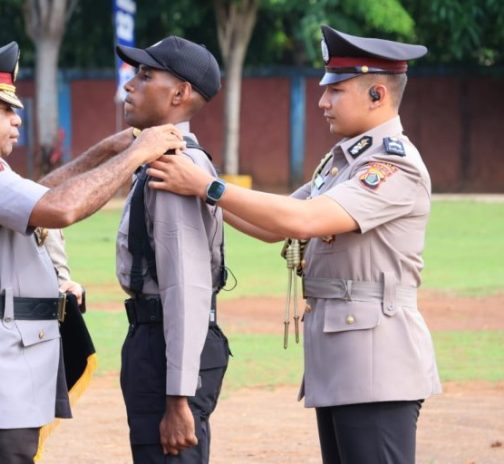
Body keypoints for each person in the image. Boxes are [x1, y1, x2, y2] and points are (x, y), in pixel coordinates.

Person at [146, 26, 442, 464]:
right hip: (344, 361)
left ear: (377, 95)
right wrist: (196, 193)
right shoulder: (343, 160)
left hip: (379, 365)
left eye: (336, 90)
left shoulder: (394, 165)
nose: (323, 101)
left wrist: (207, 186)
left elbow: (304, 220)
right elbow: (275, 225)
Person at [0, 41, 185, 464]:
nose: (15, 122)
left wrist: (107, 150)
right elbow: (60, 208)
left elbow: (35, 196)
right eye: (5, 110)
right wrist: (138, 153)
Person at [115, 36, 230, 463]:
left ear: (180, 94)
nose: (130, 85)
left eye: (146, 76)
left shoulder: (172, 165)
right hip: (155, 340)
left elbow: (186, 286)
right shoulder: (155, 157)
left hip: (170, 346)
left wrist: (179, 397)